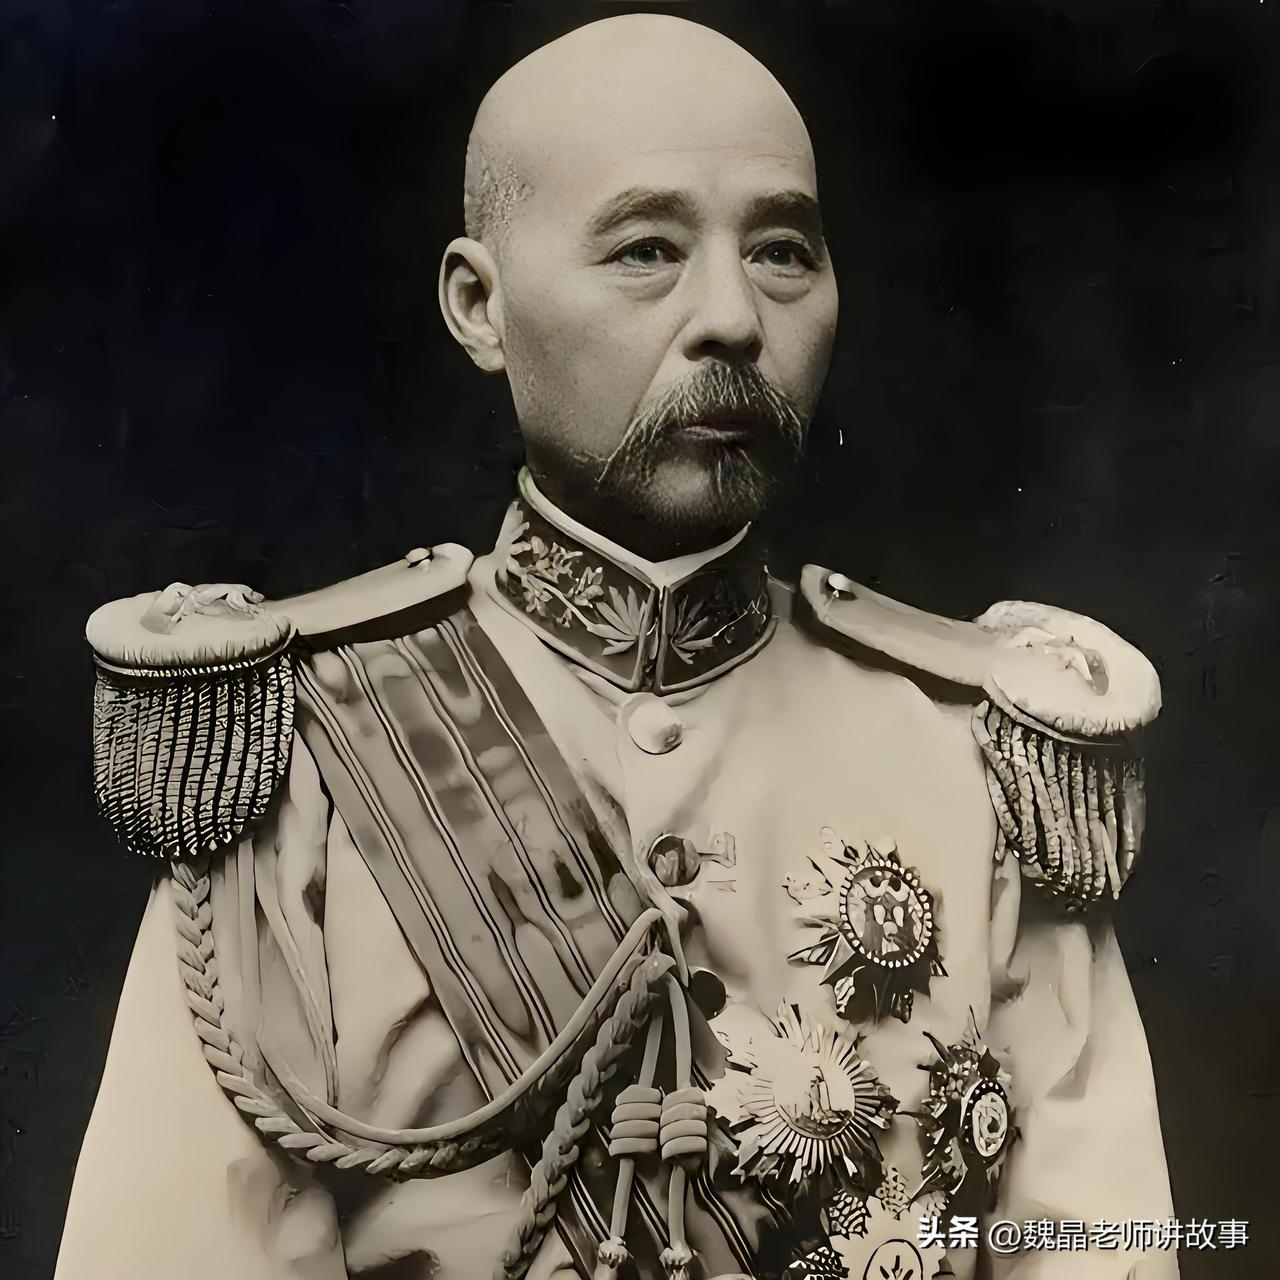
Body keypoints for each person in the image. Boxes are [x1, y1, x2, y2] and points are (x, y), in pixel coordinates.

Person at [57, 14, 1177, 1280]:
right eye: (647, 250)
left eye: (782, 252)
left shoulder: (973, 758)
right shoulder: (308, 759)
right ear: (479, 306)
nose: (732, 317)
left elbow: (1104, 1243)